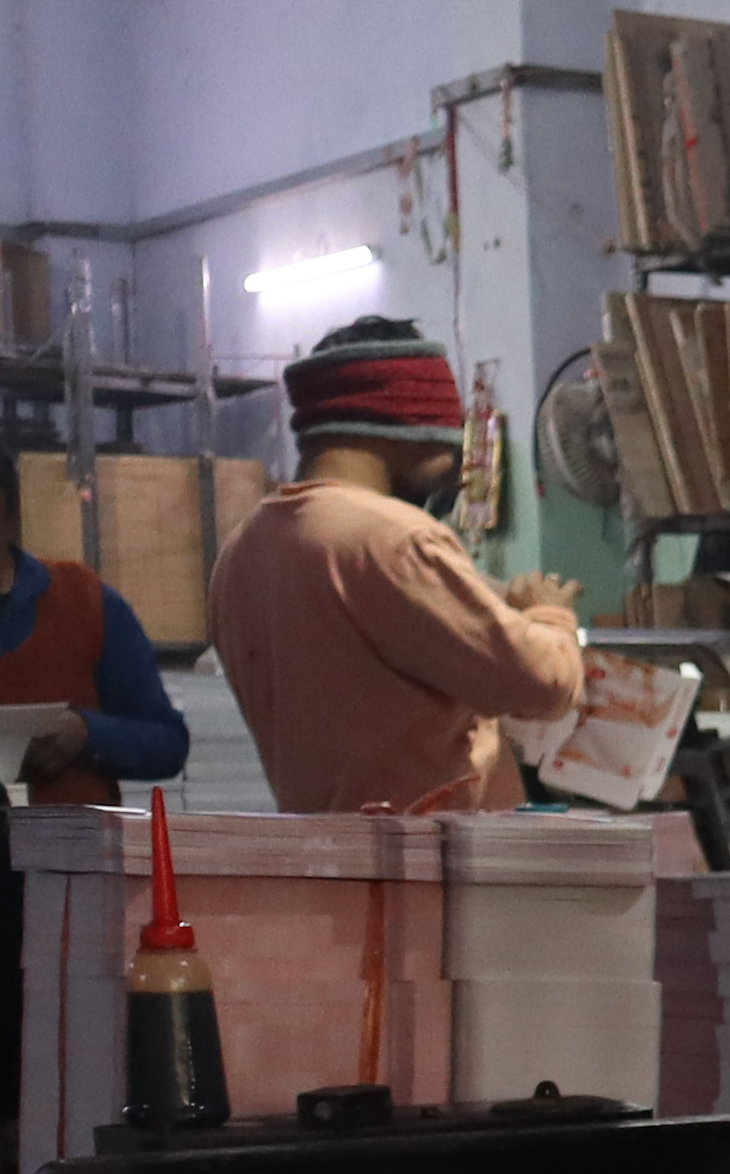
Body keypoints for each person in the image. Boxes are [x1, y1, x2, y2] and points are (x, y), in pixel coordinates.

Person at [207, 313, 585, 814]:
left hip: (324, 848)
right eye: (447, 440)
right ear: (410, 423)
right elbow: (541, 685)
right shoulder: (393, 538)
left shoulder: (240, 552)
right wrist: (549, 615)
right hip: (428, 852)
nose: (455, 467)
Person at [0, 495, 190, 807]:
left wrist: (88, 733)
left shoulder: (85, 603)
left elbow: (168, 744)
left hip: (74, 834)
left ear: (0, 509)